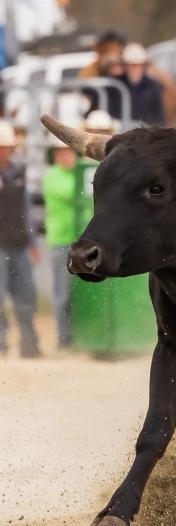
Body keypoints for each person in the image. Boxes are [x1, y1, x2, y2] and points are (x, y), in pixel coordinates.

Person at [0, 122, 40, 359]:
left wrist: (32, 242)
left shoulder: (19, 172)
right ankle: (1, 345)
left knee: (27, 297)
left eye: (6, 147)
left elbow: (27, 209)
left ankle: (29, 345)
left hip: (20, 244)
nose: (4, 151)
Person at [42, 138, 80, 351]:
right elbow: (73, 194)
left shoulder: (79, 175)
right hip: (62, 242)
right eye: (61, 152)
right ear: (56, 156)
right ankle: (64, 339)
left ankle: (79, 337)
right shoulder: (52, 177)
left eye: (69, 152)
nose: (66, 156)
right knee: (62, 295)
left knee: (78, 296)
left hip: (80, 243)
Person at [118, 44, 166, 125]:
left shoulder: (153, 86)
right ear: (125, 66)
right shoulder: (116, 84)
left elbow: (158, 116)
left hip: (144, 133)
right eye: (131, 65)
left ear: (143, 66)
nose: (134, 68)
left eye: (138, 65)